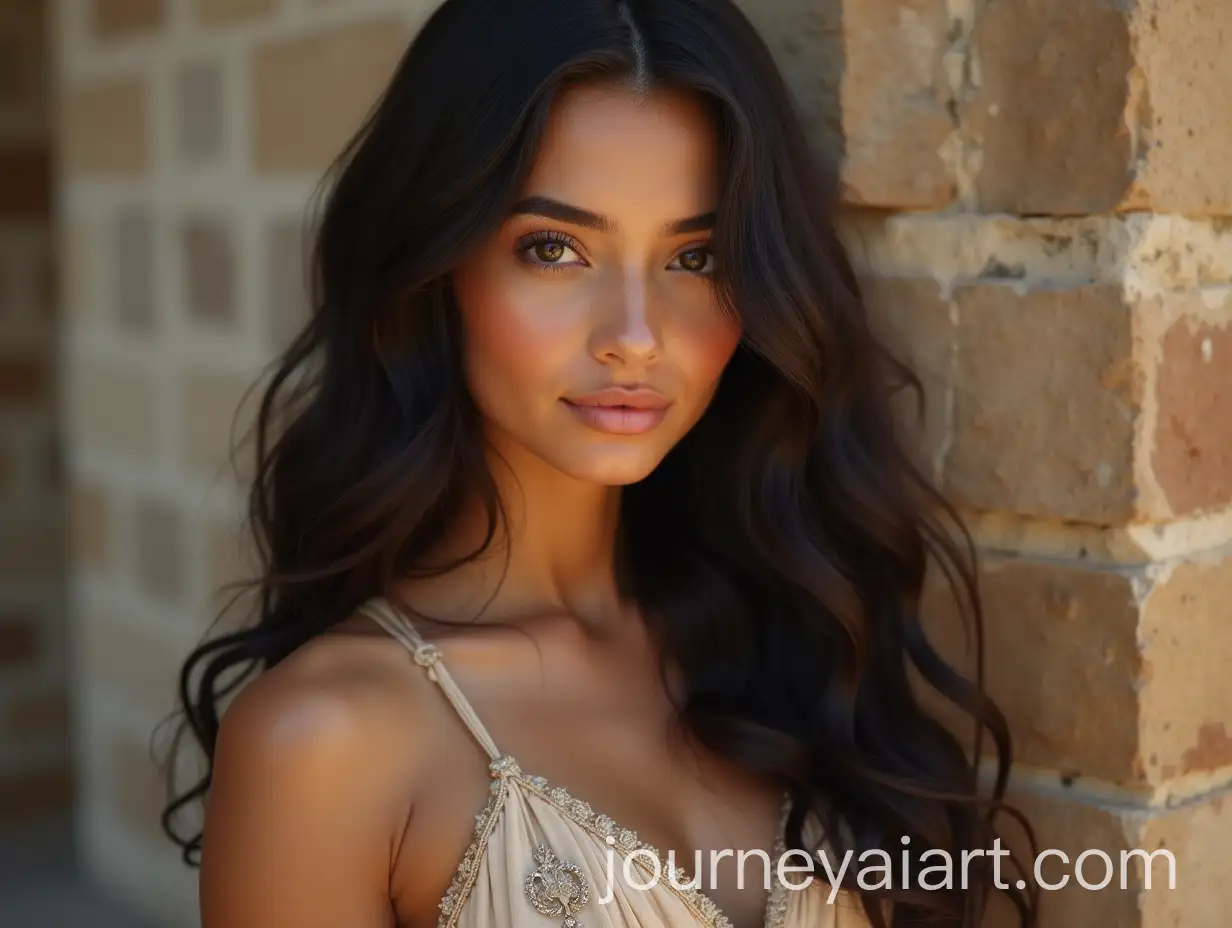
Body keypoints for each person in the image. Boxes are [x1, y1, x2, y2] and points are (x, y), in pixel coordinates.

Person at [162, 1, 1037, 926]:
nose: (634, 337)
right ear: (435, 269)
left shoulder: (790, 638)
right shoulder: (324, 744)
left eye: (695, 257)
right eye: (554, 248)